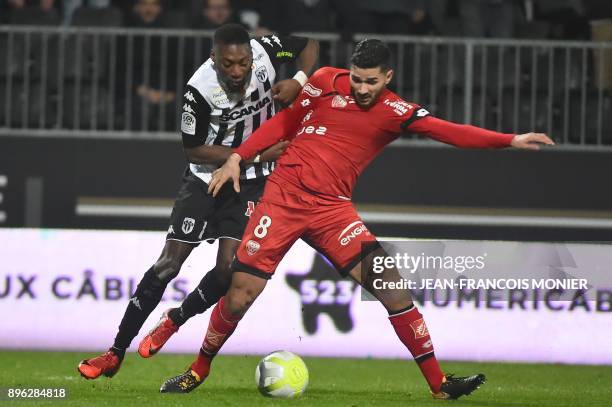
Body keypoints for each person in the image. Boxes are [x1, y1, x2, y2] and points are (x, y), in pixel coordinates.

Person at [157, 39, 554, 397]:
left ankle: (440, 384)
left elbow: (449, 131)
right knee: (241, 293)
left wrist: (509, 140)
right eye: (359, 80)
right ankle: (199, 368)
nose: (363, 89)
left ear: (388, 77)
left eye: (372, 82)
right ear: (350, 70)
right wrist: (238, 156)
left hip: (333, 210)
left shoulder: (396, 111)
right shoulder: (326, 79)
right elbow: (285, 123)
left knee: (392, 287)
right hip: (282, 199)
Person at [77, 23, 319, 380]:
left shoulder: (267, 51)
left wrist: (299, 79)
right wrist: (254, 153)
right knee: (168, 266)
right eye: (228, 64)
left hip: (250, 185)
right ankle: (114, 352)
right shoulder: (199, 88)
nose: (237, 71)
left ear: (252, 55)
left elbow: (308, 43)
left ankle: (175, 319)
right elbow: (193, 148)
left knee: (229, 270)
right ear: (213, 59)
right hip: (207, 180)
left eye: (243, 62)